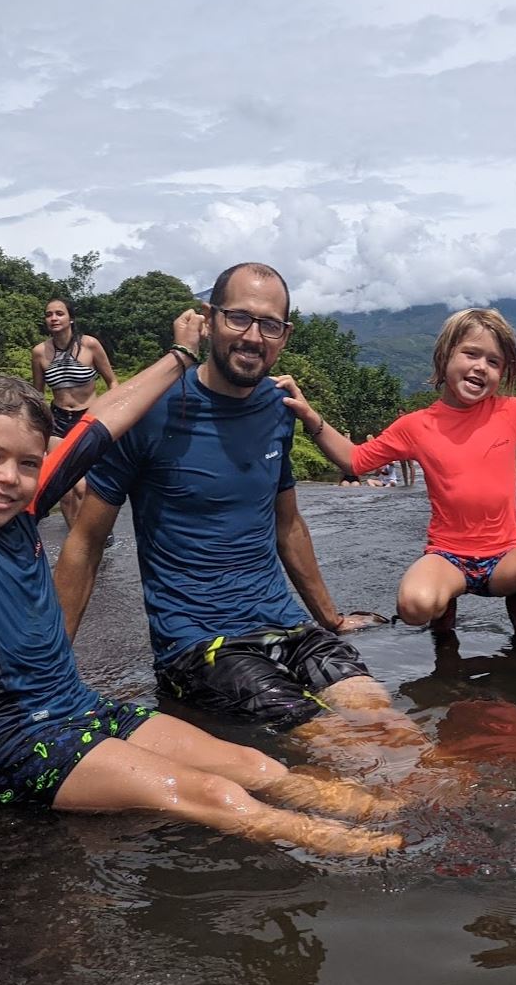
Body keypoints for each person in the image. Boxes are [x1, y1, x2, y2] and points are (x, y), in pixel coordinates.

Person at [0, 269, 399, 857]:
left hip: (81, 708)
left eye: (27, 463)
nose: (8, 478)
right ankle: (381, 855)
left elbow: (100, 423)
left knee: (255, 766)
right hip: (16, 741)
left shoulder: (25, 503)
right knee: (217, 795)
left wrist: (179, 356)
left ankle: (402, 809)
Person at [53, 262, 395, 737]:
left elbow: (288, 525)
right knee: (332, 743)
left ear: (285, 335)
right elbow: (86, 542)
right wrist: (48, 673)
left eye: (269, 324)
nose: (253, 336)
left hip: (288, 627)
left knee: (389, 725)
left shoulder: (279, 408)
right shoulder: (150, 409)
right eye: (239, 318)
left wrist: (330, 618)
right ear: (209, 318)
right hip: (199, 643)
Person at [280, 307, 516, 636]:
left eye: (493, 361)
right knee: (414, 607)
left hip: (505, 558)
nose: (481, 367)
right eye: (471, 354)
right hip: (448, 558)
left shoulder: (511, 412)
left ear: (504, 372)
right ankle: (445, 604)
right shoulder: (416, 426)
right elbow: (355, 461)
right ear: (444, 357)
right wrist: (312, 417)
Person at [29, 298, 117, 524]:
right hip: (58, 419)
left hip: (88, 417)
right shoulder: (40, 352)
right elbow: (37, 394)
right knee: (64, 488)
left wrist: (112, 414)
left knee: (82, 486)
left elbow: (112, 382)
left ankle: (93, 529)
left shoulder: (90, 345)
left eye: (59, 313)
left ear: (71, 318)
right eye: (49, 314)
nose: (53, 318)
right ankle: (74, 538)